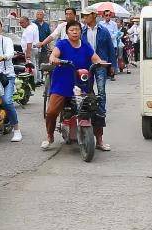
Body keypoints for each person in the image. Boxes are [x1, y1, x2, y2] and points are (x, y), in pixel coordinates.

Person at [42, 21, 107, 149]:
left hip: (82, 84)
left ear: (80, 31)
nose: (75, 32)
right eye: (72, 30)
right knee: (51, 112)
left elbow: (95, 57)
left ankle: (99, 140)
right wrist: (54, 59)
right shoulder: (62, 44)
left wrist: (100, 62)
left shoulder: (85, 46)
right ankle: (49, 136)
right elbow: (54, 54)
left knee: (96, 109)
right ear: (67, 32)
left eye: (77, 29)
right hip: (62, 84)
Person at [81, 8, 116, 151]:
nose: (84, 18)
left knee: (101, 90)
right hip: (86, 65)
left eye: (86, 16)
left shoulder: (103, 30)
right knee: (86, 90)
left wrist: (112, 65)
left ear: (93, 16)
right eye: (82, 16)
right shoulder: (81, 31)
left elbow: (110, 48)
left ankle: (101, 113)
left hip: (101, 64)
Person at [19, 16, 41, 84]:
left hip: (30, 49)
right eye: (20, 23)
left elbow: (29, 43)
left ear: (27, 21)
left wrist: (28, 54)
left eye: (22, 23)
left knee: (31, 65)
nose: (21, 24)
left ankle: (33, 81)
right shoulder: (33, 25)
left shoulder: (29, 30)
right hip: (35, 48)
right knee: (35, 65)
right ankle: (38, 80)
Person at [100, 10, 119, 78]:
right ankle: (106, 73)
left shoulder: (114, 24)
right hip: (104, 44)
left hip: (112, 43)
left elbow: (116, 33)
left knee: (112, 58)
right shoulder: (101, 24)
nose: (108, 17)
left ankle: (112, 74)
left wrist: (110, 37)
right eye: (106, 15)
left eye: (109, 15)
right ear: (103, 16)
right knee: (105, 58)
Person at [34, 10, 52, 74]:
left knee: (44, 63)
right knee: (36, 63)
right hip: (35, 47)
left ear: (43, 16)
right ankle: (37, 78)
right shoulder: (33, 24)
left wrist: (49, 47)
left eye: (41, 14)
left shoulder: (46, 25)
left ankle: (43, 78)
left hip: (44, 47)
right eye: (38, 14)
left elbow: (49, 36)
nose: (39, 16)